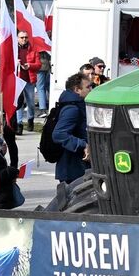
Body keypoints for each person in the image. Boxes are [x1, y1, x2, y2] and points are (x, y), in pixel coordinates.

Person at [48, 73, 93, 209]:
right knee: (73, 207)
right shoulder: (72, 108)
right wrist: (83, 144)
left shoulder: (75, 105)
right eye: (88, 87)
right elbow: (59, 134)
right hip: (72, 168)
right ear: (76, 90)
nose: (91, 90)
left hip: (75, 166)